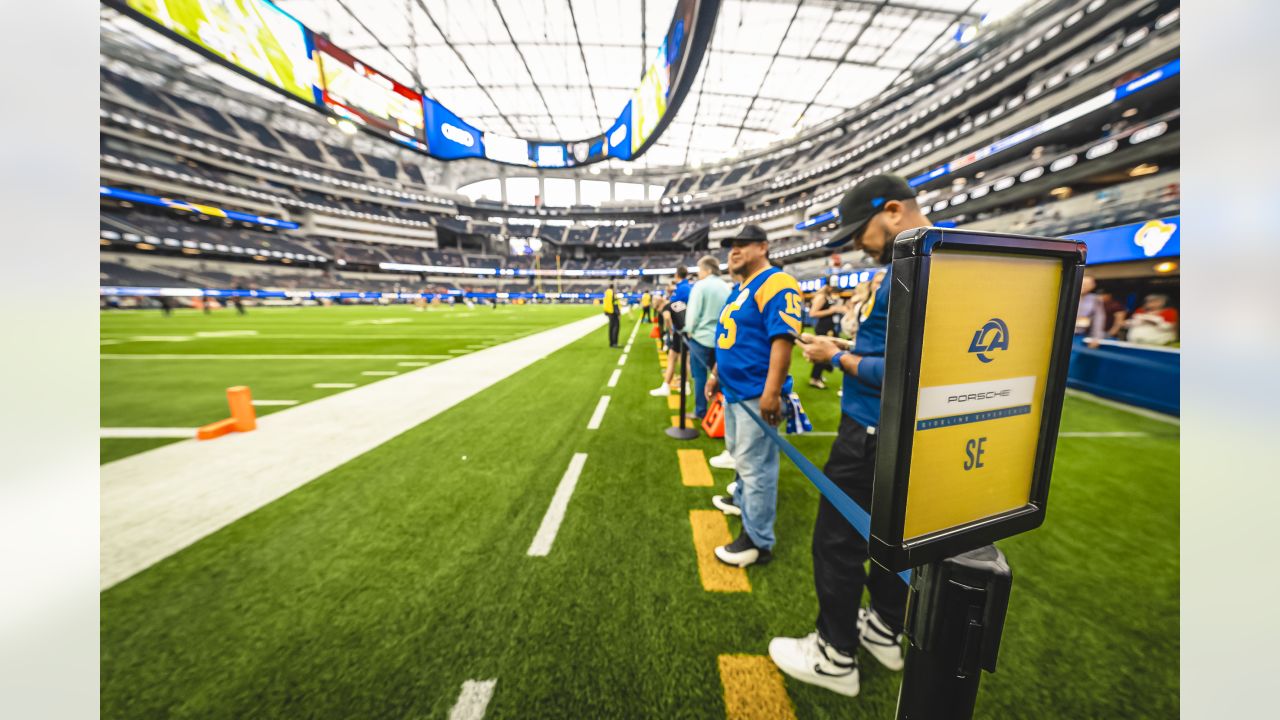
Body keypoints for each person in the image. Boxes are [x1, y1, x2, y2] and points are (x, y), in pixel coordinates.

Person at [769, 174, 926, 697]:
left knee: (837, 542)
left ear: (894, 211)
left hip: (871, 431)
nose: (858, 242)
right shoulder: (942, 256)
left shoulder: (914, 266)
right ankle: (883, 629)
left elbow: (909, 370)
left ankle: (835, 655)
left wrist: (836, 356)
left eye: (862, 229)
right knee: (891, 540)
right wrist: (843, 345)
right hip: (909, 434)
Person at [704, 224, 803, 568]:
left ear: (763, 247)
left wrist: (771, 391)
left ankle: (758, 542)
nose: (734, 250)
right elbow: (730, 336)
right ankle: (743, 505)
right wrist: (717, 373)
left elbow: (782, 339)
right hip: (734, 390)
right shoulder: (742, 287)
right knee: (742, 460)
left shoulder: (776, 281)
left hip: (755, 392)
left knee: (756, 468)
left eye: (743, 244)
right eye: (732, 245)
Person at [683, 255, 732, 420]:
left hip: (701, 338)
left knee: (699, 376)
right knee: (719, 376)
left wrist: (688, 330)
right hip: (721, 339)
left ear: (707, 269)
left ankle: (701, 411)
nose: (699, 274)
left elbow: (693, 313)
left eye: (700, 270)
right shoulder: (726, 287)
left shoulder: (701, 286)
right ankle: (720, 411)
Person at [651, 268, 693, 396]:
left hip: (680, 332)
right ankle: (672, 385)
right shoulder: (676, 300)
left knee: (680, 359)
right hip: (686, 329)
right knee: (676, 358)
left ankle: (679, 386)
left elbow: (668, 317)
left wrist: (669, 331)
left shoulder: (666, 307)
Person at [807, 284, 843, 389]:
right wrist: (831, 311)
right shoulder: (821, 297)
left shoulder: (828, 296)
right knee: (823, 353)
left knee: (829, 352)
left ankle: (819, 374)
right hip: (823, 329)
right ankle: (815, 378)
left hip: (830, 328)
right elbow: (812, 313)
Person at [1075, 275, 1105, 348]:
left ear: (1092, 286)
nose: (1084, 286)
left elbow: (1098, 319)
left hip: (1079, 335)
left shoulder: (1095, 299)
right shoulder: (1067, 295)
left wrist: (1096, 338)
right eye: (1083, 283)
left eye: (1087, 284)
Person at [603, 283, 621, 347]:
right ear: (613, 287)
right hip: (613, 312)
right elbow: (615, 304)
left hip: (608, 312)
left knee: (611, 327)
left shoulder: (606, 293)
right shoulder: (612, 293)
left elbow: (605, 303)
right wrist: (618, 313)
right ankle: (614, 343)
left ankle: (611, 343)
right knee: (616, 327)